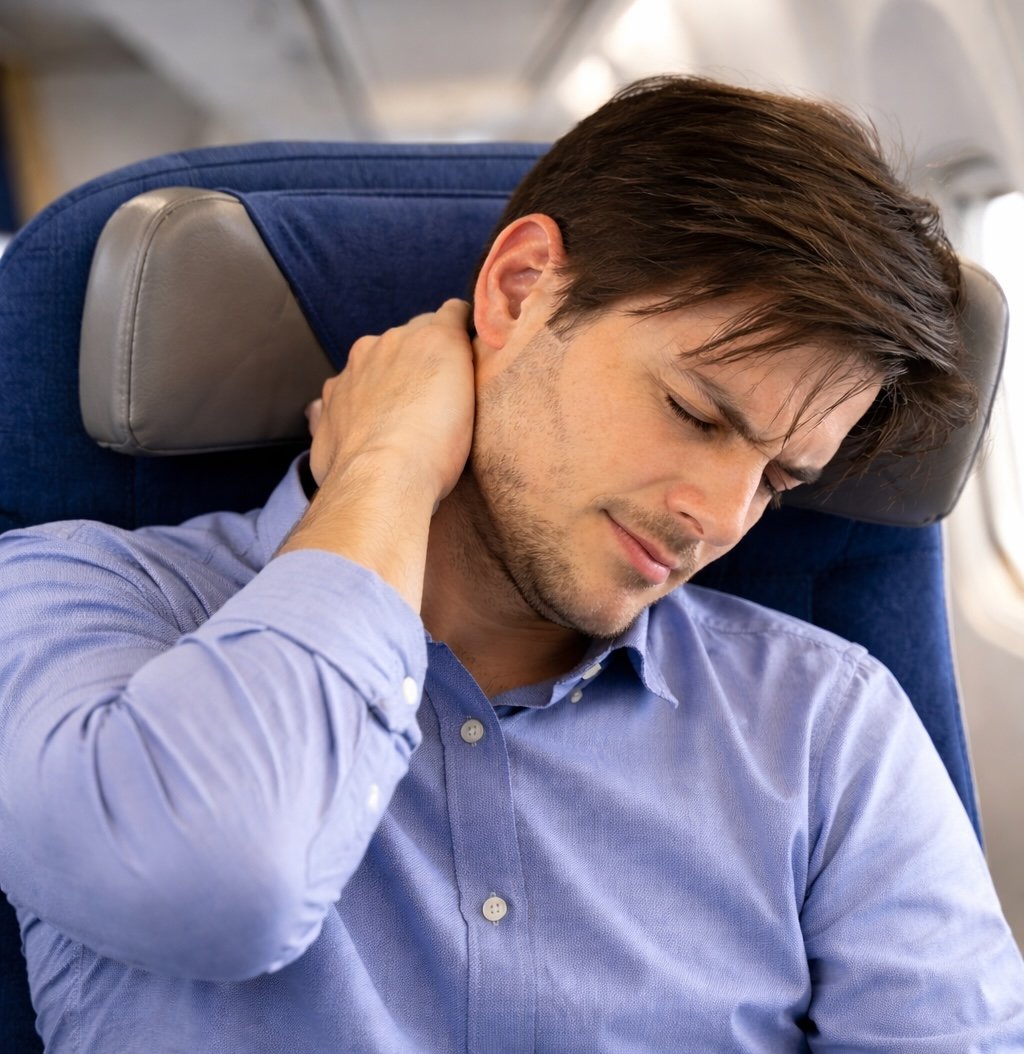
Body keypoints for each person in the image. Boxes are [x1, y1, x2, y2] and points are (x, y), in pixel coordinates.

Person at [1, 76, 1022, 1053]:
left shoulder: (828, 728)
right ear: (521, 287)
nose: (716, 518)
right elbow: (221, 882)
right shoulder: (72, 603)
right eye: (695, 413)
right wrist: (388, 468)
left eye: (779, 481)